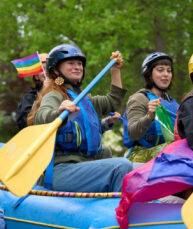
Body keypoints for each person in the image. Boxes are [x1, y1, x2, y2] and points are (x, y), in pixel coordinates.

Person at [27, 44, 133, 192]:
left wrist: (115, 71)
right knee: (122, 166)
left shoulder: (84, 99)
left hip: (85, 164)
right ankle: (118, 213)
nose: (77, 67)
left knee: (133, 168)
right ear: (55, 70)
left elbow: (112, 102)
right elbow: (40, 117)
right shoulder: (53, 95)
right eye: (71, 63)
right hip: (61, 170)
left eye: (79, 64)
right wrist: (58, 112)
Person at [124, 52, 179, 163]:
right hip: (141, 157)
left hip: (169, 155)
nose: (166, 74)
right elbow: (133, 133)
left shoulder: (174, 103)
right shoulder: (139, 99)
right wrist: (149, 116)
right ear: (149, 74)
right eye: (160, 70)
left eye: (169, 71)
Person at [16, 53, 48, 130]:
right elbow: (24, 123)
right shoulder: (29, 97)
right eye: (43, 69)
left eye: (49, 69)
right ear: (36, 76)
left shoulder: (64, 90)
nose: (47, 72)